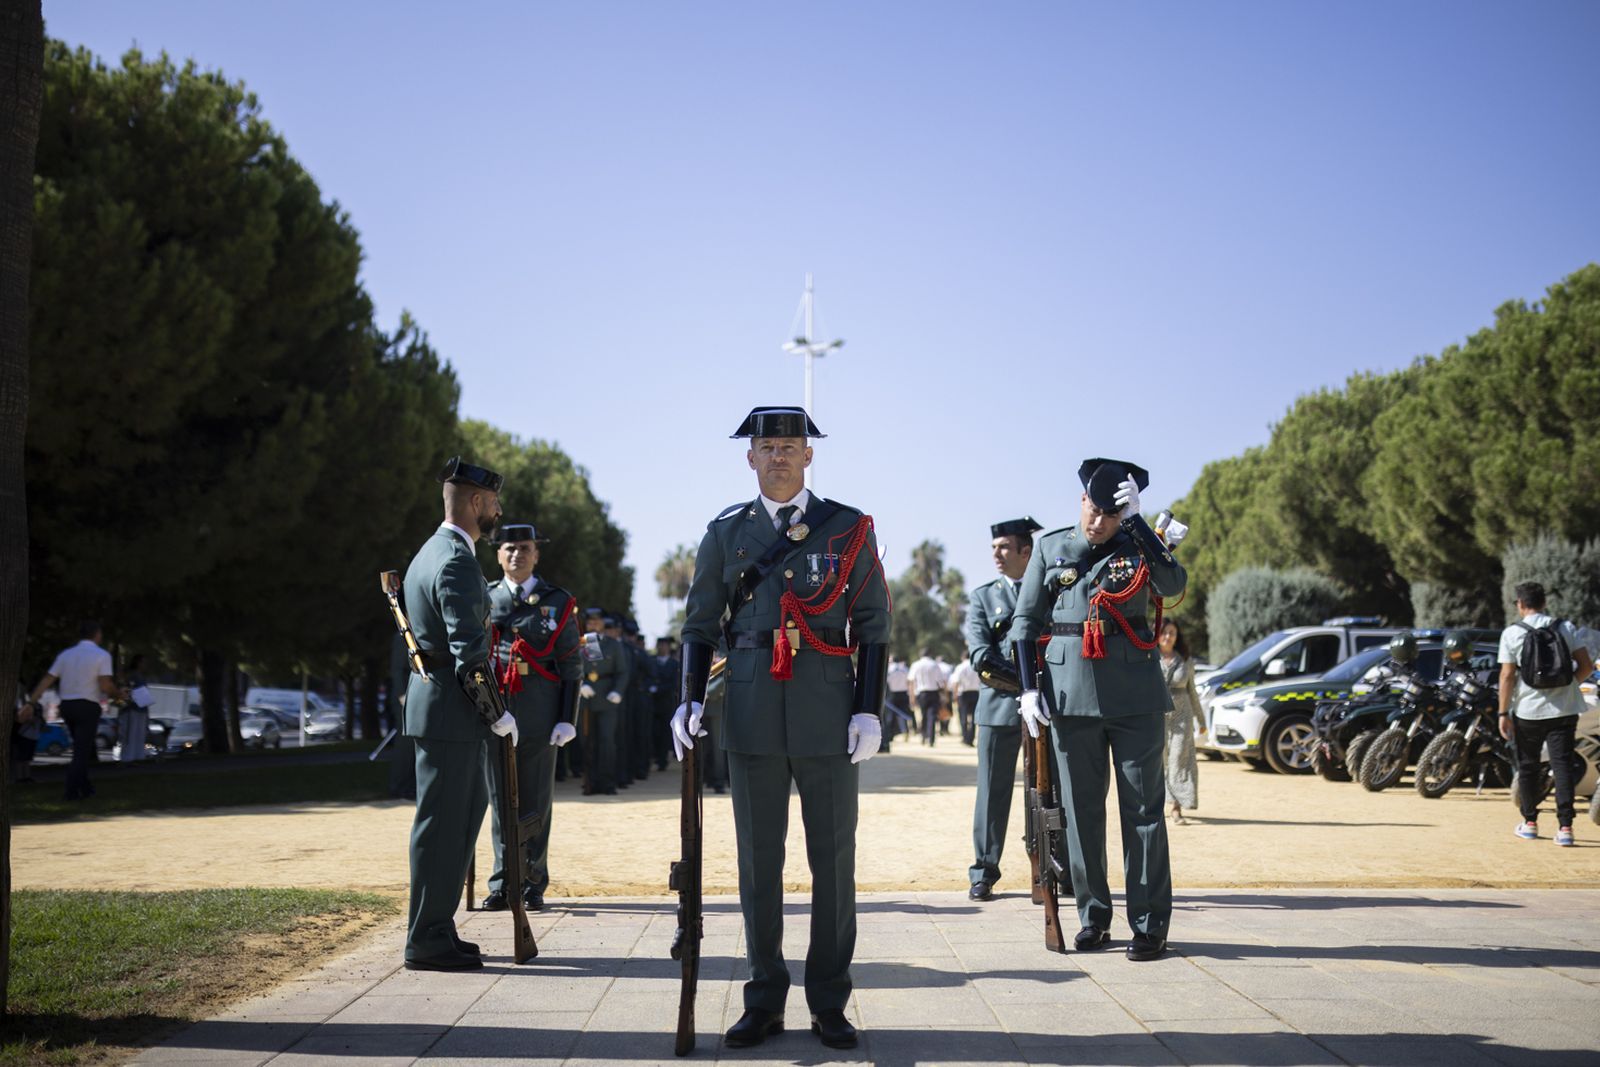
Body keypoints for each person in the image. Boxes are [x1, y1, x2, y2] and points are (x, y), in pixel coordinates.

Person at [673, 405, 891, 1051]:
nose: (778, 455)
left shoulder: (847, 529)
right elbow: (697, 625)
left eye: (790, 445)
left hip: (828, 713)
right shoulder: (725, 532)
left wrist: (869, 706)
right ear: (750, 458)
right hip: (750, 711)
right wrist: (688, 699)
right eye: (766, 446)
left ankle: (829, 1001)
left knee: (834, 862)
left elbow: (873, 623)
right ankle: (764, 998)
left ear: (809, 455)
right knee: (758, 865)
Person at [1011, 458, 1187, 962]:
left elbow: (1173, 586)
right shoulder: (1051, 546)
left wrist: (1138, 527)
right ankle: (1093, 918)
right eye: (1093, 508)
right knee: (1082, 813)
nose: (1097, 522)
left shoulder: (1140, 545)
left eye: (1111, 514)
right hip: (1069, 698)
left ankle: (1150, 924)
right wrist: (1028, 689)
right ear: (1080, 501)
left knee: (1144, 814)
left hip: (1134, 697)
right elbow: (1026, 622)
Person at [398, 456, 517, 971]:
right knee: (444, 827)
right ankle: (426, 938)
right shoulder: (456, 561)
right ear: (475, 502)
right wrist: (497, 713)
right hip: (453, 711)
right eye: (493, 502)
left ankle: (437, 926)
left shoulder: (431, 552)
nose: (497, 510)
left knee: (451, 825)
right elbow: (470, 657)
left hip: (443, 709)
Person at [478, 522, 580, 913]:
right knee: (500, 798)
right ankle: (503, 881)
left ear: (536, 554)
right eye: (509, 548)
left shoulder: (557, 601)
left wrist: (567, 717)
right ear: (498, 555)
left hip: (539, 713)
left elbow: (570, 661)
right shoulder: (485, 598)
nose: (516, 554)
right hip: (496, 711)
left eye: (524, 548)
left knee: (535, 800)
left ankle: (533, 882)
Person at [964, 516, 1040, 900]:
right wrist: (1028, 684)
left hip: (1045, 710)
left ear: (1027, 551)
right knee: (992, 793)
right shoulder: (982, 597)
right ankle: (984, 870)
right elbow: (981, 655)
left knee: (1051, 792)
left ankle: (1058, 867)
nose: (996, 554)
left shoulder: (1047, 591)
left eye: (1005, 547)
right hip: (997, 708)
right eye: (994, 548)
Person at [1499, 581, 1596, 847]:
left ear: (1520, 604)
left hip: (1527, 711)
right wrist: (1568, 685)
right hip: (1564, 710)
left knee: (1528, 767)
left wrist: (1503, 712)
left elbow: (1507, 676)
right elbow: (1586, 666)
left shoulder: (1512, 633)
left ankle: (1529, 822)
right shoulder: (1565, 628)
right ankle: (1565, 828)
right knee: (1562, 766)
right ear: (1544, 602)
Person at [25, 621, 119, 800]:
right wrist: (119, 694)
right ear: (97, 634)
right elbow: (105, 685)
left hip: (67, 706)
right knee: (81, 751)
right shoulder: (102, 655)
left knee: (80, 747)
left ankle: (86, 787)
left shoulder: (66, 655)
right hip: (88, 705)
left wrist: (31, 702)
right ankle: (71, 791)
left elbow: (48, 679)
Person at [577, 609, 630, 795]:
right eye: (590, 622)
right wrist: (581, 684)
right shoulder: (582, 643)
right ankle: (590, 782)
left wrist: (617, 691)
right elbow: (572, 668)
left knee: (607, 742)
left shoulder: (613, 645)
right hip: (587, 700)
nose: (594, 624)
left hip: (607, 698)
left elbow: (622, 671)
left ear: (603, 623)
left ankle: (607, 782)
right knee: (587, 742)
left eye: (597, 621)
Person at [1158, 619, 1203, 824]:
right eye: (1165, 632)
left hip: (1182, 718)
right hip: (1158, 718)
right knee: (1162, 762)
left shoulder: (1185, 660)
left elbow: (1192, 691)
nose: (1168, 637)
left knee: (1178, 761)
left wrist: (1201, 720)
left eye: (1172, 633)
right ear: (1157, 635)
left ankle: (1176, 808)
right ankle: (1162, 802)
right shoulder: (1149, 658)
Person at [117, 654, 154, 762]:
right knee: (131, 734)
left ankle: (137, 756)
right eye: (143, 662)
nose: (145, 665)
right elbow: (127, 691)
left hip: (141, 708)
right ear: (138, 663)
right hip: (132, 709)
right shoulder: (131, 676)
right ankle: (128, 757)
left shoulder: (140, 676)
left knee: (139, 733)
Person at [907, 649, 946, 747]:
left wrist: (912, 697)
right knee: (932, 716)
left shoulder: (916, 665)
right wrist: (944, 695)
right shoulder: (934, 664)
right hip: (933, 693)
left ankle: (924, 736)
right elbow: (941, 682)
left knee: (923, 715)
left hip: (921, 693)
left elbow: (911, 681)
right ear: (930, 654)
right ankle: (931, 739)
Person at [948, 657, 981, 746]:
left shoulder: (960, 667)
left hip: (963, 694)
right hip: (975, 693)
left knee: (963, 716)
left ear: (962, 657)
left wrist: (954, 695)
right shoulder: (976, 665)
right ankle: (971, 738)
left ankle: (965, 737)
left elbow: (956, 682)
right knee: (974, 717)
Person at [884, 657, 910, 752]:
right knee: (902, 714)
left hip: (892, 694)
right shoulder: (904, 668)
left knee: (890, 715)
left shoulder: (890, 669)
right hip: (903, 693)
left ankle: (890, 735)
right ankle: (905, 731)